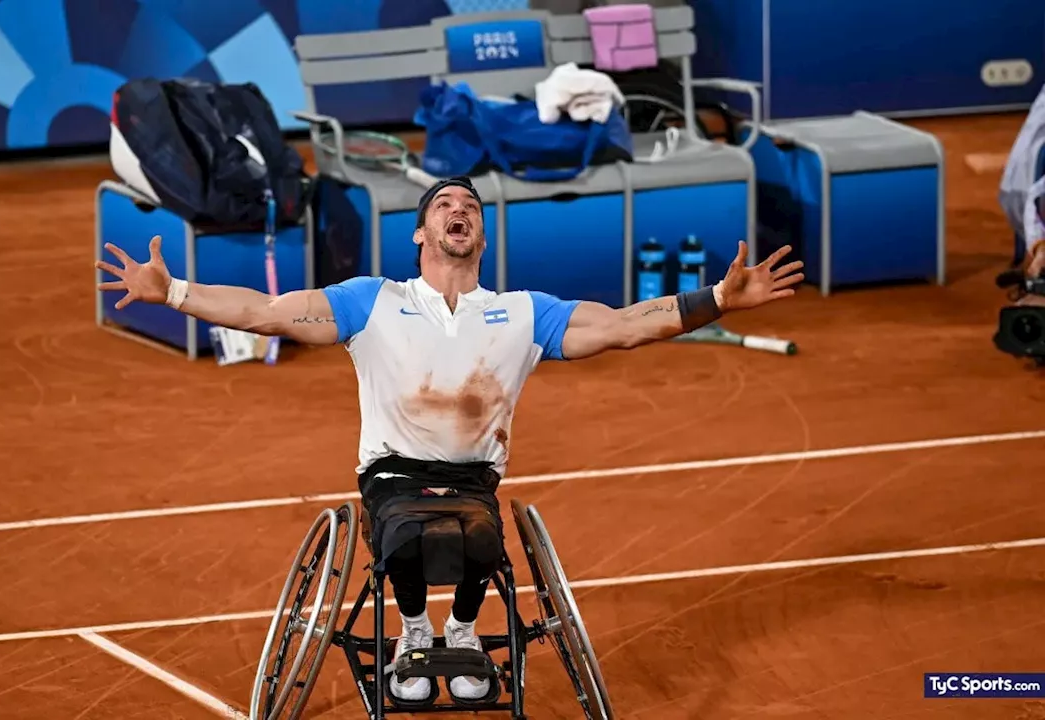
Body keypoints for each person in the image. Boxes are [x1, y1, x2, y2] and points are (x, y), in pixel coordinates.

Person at [95, 176, 803, 704]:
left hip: (473, 483)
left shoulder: (524, 314)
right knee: (407, 529)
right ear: (420, 235)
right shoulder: (372, 302)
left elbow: (623, 325)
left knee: (474, 533)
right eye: (444, 206)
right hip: (392, 479)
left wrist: (715, 298)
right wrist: (176, 292)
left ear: (483, 237)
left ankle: (461, 631)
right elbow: (266, 312)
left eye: (470, 207)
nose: (459, 211)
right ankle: (412, 631)